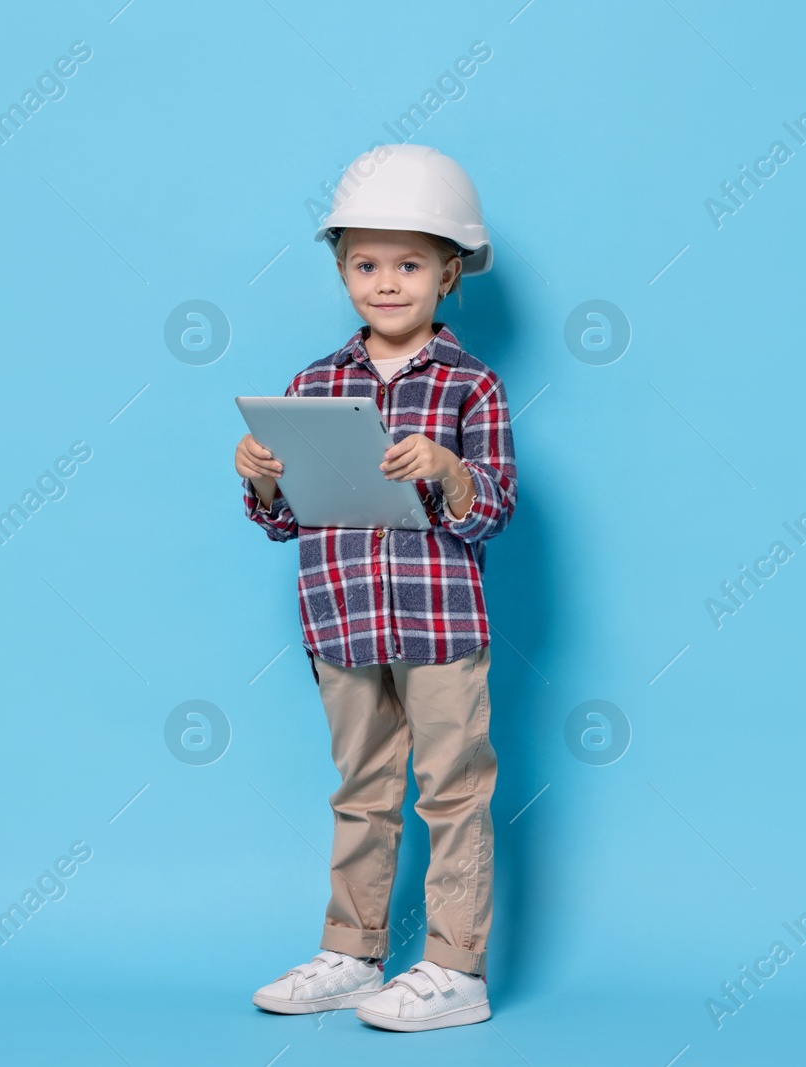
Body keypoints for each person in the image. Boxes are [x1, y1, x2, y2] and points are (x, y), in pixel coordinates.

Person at [237, 144, 516, 1032]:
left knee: (452, 789)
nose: (385, 282)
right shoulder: (313, 384)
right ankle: (353, 952)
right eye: (364, 263)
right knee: (361, 789)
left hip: (439, 626)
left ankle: (454, 968)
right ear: (340, 268)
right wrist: (263, 479)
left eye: (408, 264)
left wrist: (445, 468)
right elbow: (285, 522)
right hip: (341, 621)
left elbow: (494, 510)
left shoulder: (472, 384)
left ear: (448, 274)